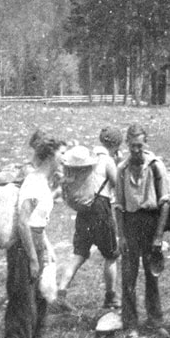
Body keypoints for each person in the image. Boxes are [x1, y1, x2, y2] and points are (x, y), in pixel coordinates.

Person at [5, 131, 64, 338]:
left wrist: (46, 248)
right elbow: (23, 222)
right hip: (23, 248)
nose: (63, 158)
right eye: (61, 153)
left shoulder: (44, 181)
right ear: (50, 155)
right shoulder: (33, 181)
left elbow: (40, 221)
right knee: (23, 305)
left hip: (37, 242)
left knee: (40, 302)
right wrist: (32, 258)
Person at [52, 127, 122, 313]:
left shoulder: (88, 158)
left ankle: (61, 293)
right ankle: (111, 297)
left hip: (84, 210)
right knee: (111, 255)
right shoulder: (107, 160)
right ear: (116, 145)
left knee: (79, 253)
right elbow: (117, 185)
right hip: (100, 209)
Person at [114, 124, 170, 338]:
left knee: (152, 273)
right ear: (127, 145)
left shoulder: (156, 166)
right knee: (129, 275)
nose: (136, 150)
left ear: (146, 143)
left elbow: (165, 202)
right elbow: (118, 205)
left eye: (140, 145)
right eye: (132, 146)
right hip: (130, 223)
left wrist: (159, 236)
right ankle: (130, 323)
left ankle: (155, 320)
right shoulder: (122, 169)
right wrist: (121, 235)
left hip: (150, 221)